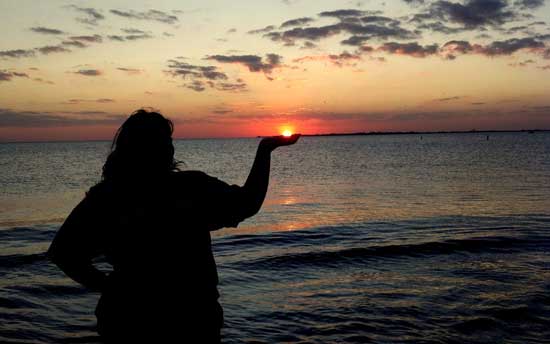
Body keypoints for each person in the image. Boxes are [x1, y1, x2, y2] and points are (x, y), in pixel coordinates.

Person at [48, 109, 300, 343]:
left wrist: (110, 287)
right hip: (187, 319)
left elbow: (63, 253)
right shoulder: (189, 189)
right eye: (164, 140)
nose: (170, 146)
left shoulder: (107, 196)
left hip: (127, 318)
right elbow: (247, 203)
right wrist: (264, 151)